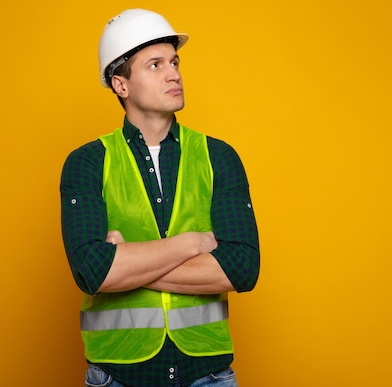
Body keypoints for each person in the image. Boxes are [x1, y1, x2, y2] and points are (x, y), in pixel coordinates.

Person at [60, 8, 260, 387]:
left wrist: (127, 262)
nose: (174, 73)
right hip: (117, 375)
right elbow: (91, 270)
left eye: (174, 61)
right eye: (155, 64)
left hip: (208, 374)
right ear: (121, 84)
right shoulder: (87, 163)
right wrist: (193, 243)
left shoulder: (219, 157)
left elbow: (241, 269)